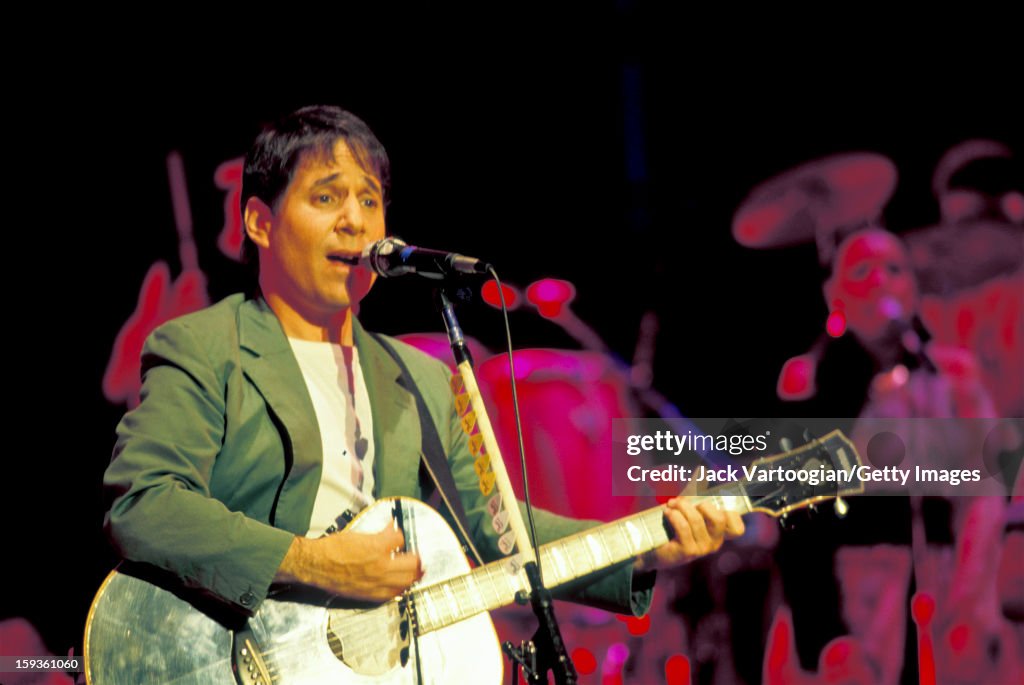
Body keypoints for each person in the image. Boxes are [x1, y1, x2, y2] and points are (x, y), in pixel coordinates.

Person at [104, 106, 743, 632]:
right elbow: (144, 505)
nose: (355, 220)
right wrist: (315, 563)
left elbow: (500, 532)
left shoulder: (420, 376)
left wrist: (650, 540)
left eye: (370, 200)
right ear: (260, 223)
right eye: (326, 197)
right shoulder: (201, 345)